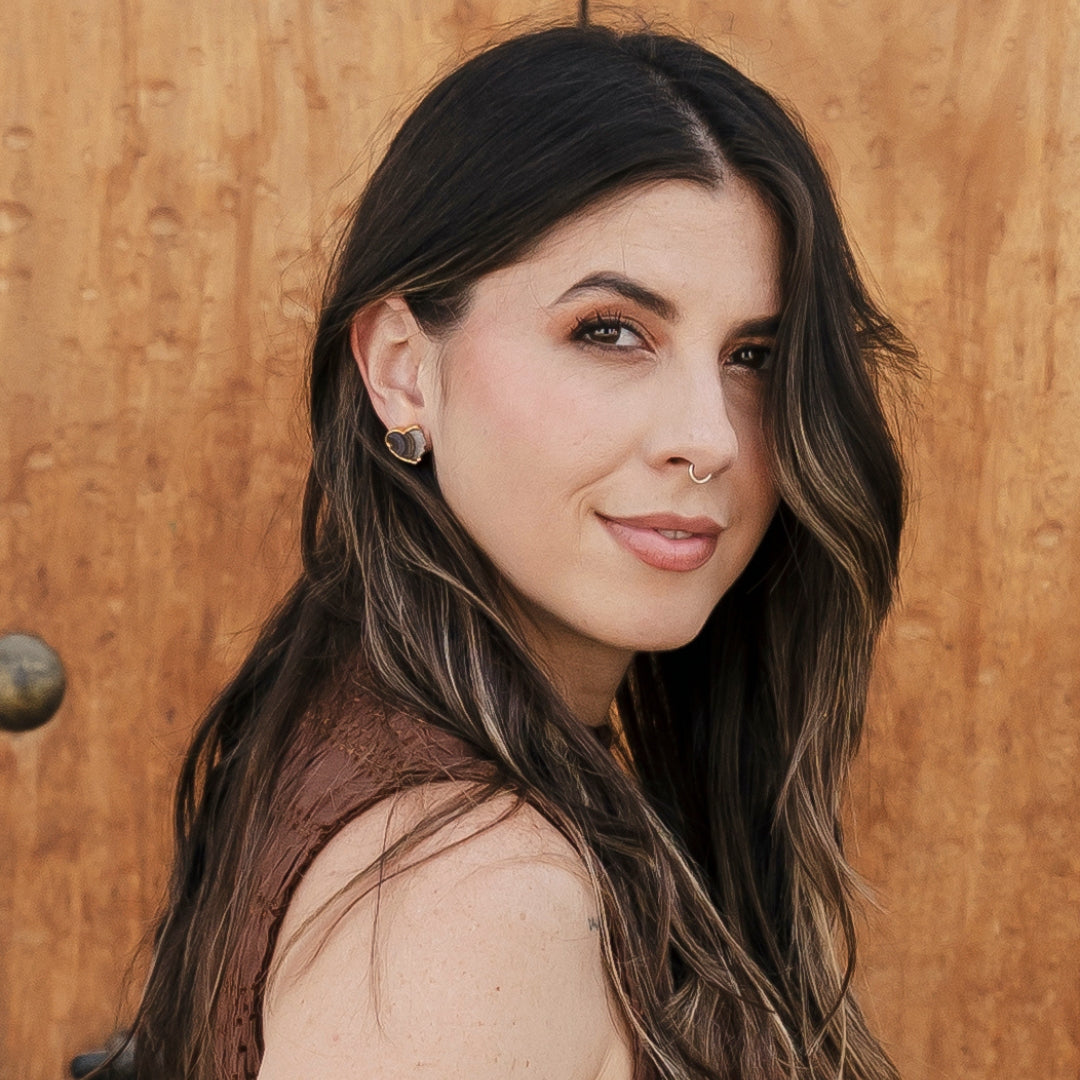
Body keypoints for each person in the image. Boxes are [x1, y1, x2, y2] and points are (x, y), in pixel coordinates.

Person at [120, 20, 916, 1080]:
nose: (711, 437)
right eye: (609, 331)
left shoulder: (377, 722)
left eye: (754, 355)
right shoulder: (481, 905)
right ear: (402, 369)